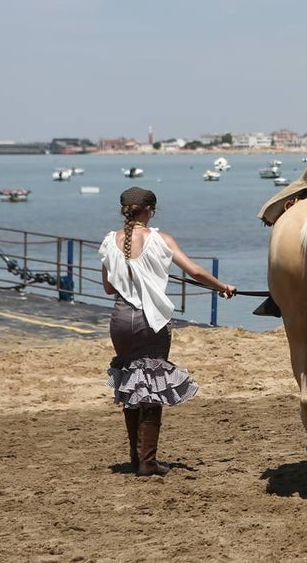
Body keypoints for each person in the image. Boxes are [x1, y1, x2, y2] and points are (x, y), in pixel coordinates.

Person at [99, 187, 236, 476]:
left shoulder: (110, 241)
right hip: (151, 322)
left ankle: (136, 458)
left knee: (131, 383)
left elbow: (109, 287)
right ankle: (147, 461)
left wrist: (133, 275)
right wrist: (222, 287)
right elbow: (195, 272)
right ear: (150, 209)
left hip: (120, 320)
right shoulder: (160, 239)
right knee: (152, 387)